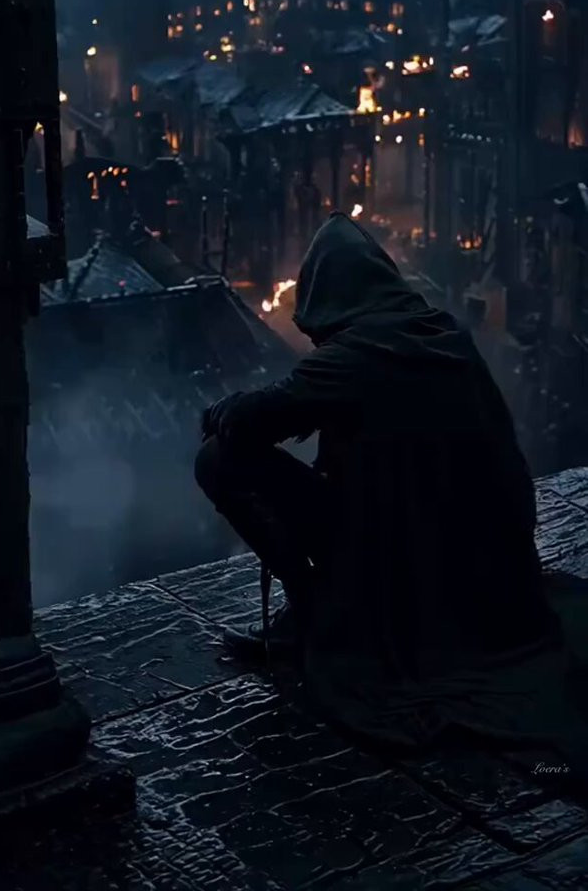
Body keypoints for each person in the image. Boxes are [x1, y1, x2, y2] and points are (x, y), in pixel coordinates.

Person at [196, 212, 588, 760]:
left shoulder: (354, 357)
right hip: (485, 563)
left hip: (403, 555)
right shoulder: (443, 332)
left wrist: (223, 409)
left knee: (217, 460)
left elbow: (249, 421)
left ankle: (313, 608)